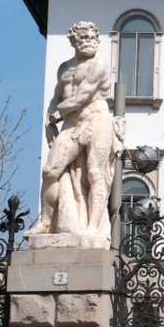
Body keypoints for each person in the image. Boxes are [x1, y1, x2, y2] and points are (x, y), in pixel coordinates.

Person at [26, 21, 123, 238]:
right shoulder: (64, 68)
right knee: (50, 171)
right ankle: (44, 222)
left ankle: (92, 230)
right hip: (71, 125)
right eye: (83, 38)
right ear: (74, 41)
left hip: (96, 120)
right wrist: (50, 122)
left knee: (95, 173)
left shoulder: (99, 65)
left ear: (97, 40)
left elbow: (82, 97)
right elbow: (56, 97)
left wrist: (57, 113)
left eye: (91, 38)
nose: (88, 42)